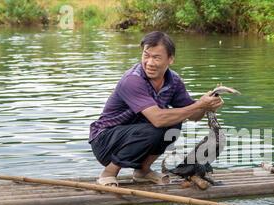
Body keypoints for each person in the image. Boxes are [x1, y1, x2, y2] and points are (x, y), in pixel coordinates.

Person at [89, 31, 224, 187]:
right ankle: (109, 173)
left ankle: (142, 172)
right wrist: (200, 105)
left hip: (135, 136)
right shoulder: (132, 80)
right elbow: (158, 119)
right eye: (146, 56)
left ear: (170, 59)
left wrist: (208, 106)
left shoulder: (174, 81)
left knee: (174, 123)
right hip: (105, 141)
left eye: (156, 57)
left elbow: (193, 115)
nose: (150, 63)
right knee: (158, 126)